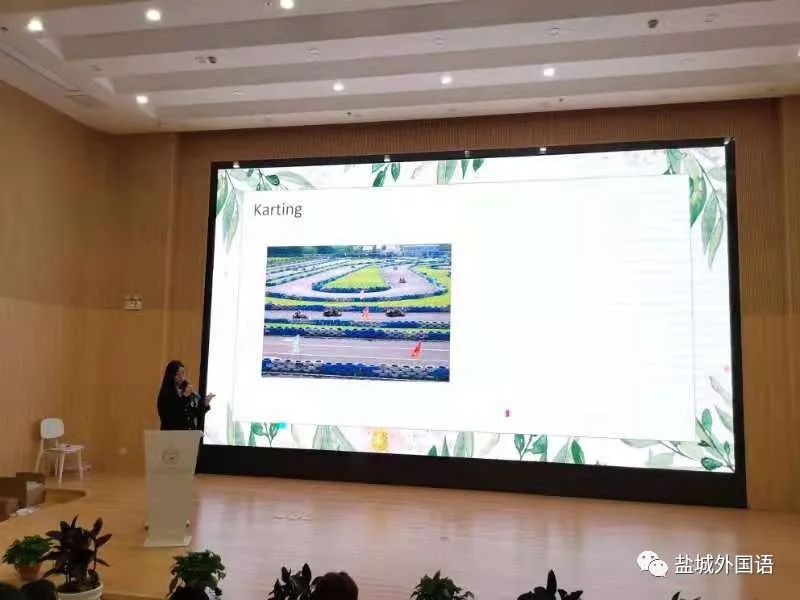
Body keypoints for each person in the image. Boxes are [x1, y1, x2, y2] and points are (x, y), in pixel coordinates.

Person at [157, 360, 214, 431]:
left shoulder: (185, 392)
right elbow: (173, 415)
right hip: (172, 434)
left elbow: (192, 414)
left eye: (183, 373)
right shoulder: (166, 394)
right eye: (177, 374)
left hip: (189, 434)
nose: (181, 377)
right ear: (171, 375)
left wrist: (204, 404)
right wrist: (185, 396)